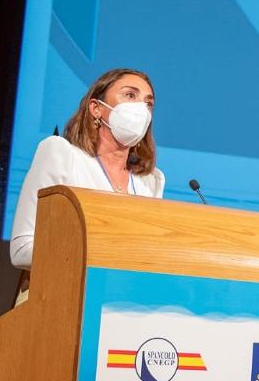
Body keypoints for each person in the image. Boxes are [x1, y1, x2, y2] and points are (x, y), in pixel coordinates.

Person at [9, 68, 166, 304]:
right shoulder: (61, 154)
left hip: (118, 309)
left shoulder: (150, 182)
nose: (141, 109)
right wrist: (101, 256)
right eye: (130, 96)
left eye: (148, 103)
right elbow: (21, 248)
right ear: (96, 108)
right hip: (56, 303)